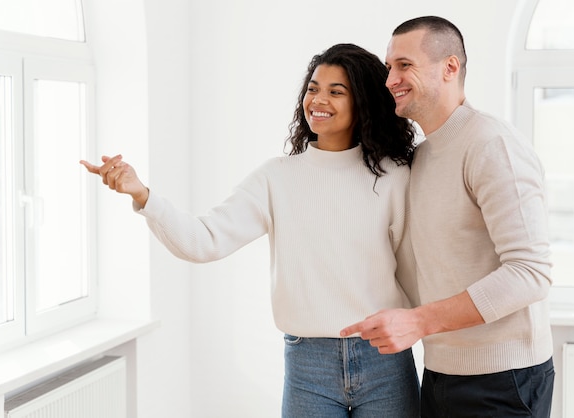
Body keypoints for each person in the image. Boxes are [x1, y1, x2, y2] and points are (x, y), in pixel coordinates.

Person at [81, 43, 420, 417]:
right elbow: (204, 241)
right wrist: (143, 195)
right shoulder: (277, 177)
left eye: (336, 91)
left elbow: (420, 270)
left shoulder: (395, 176)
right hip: (309, 366)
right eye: (313, 88)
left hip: (385, 360)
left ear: (365, 102)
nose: (318, 100)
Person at [340, 16, 555, 417]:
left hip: (503, 379)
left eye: (404, 65)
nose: (390, 79)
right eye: (389, 67)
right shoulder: (422, 158)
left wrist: (419, 322)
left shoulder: (492, 145)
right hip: (441, 373)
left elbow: (531, 272)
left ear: (450, 67)